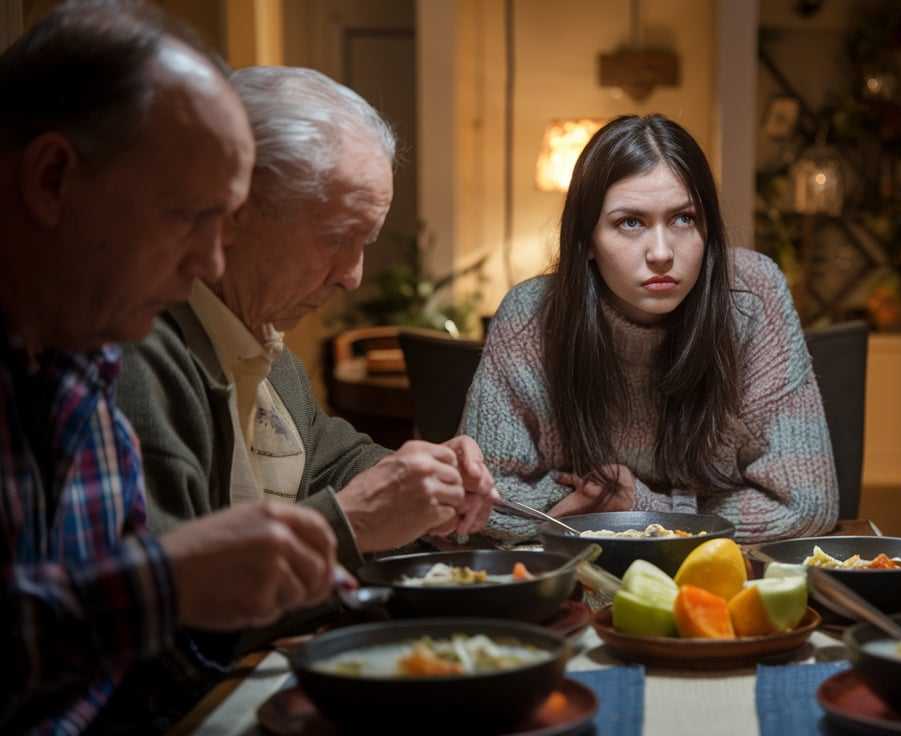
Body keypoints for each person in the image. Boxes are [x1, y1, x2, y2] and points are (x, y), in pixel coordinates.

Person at [0, 4, 340, 732]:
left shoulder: (85, 359)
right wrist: (167, 583)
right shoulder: (132, 355)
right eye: (190, 217)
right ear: (52, 180)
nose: (211, 263)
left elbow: (134, 671)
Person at [117, 66, 496, 572]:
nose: (353, 276)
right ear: (237, 210)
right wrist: (354, 521)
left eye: (366, 242)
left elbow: (329, 461)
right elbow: (166, 587)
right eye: (338, 237)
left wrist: (428, 482)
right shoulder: (138, 353)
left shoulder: (267, 352)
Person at [461, 114, 838, 543]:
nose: (661, 253)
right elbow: (480, 498)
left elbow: (808, 504)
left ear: (708, 229)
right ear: (587, 239)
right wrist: (606, 507)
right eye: (630, 222)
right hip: (574, 571)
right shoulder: (530, 316)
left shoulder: (752, 296)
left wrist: (643, 510)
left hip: (719, 571)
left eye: (683, 219)